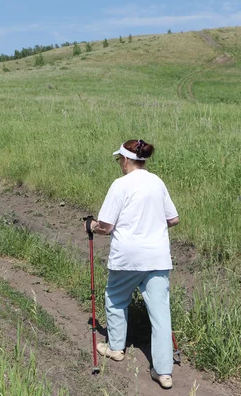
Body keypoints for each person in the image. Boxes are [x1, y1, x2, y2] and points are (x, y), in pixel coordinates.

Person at [88, 139, 179, 389]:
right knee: (160, 315)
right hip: (158, 257)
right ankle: (164, 372)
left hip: (128, 258)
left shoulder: (120, 185)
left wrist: (92, 226)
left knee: (116, 298)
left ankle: (116, 348)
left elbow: (106, 226)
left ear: (127, 160)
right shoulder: (157, 182)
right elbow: (173, 219)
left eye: (120, 159)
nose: (120, 163)